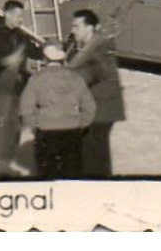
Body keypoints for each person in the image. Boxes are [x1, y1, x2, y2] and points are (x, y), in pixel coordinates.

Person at [19, 42, 96, 180]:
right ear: (63, 60)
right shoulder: (76, 78)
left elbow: (25, 108)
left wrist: (35, 126)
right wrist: (81, 124)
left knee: (47, 175)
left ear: (44, 59)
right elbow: (89, 107)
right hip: (72, 131)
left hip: (46, 131)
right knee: (72, 174)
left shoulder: (36, 79)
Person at [0, 0, 35, 176]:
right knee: (7, 127)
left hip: (18, 87)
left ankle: (7, 162)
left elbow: (33, 51)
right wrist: (6, 62)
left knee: (16, 126)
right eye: (18, 16)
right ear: (7, 14)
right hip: (0, 89)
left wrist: (52, 49)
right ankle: (0, 167)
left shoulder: (20, 36)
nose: (21, 20)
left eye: (22, 16)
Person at [66, 11, 124, 178]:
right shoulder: (86, 46)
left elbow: (99, 70)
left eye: (76, 26)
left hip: (102, 109)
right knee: (95, 153)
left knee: (93, 154)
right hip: (96, 108)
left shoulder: (100, 46)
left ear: (89, 28)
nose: (73, 30)